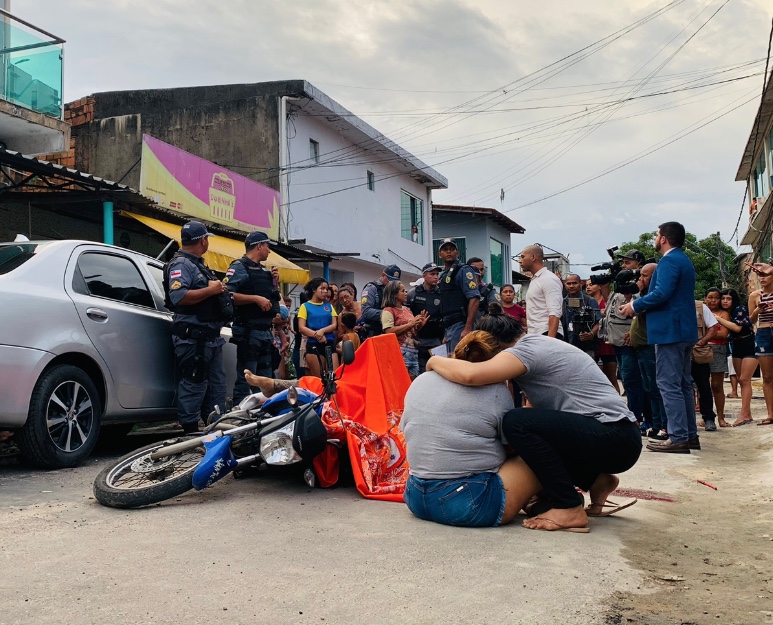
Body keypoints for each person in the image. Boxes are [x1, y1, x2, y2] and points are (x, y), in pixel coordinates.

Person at [426, 310, 640, 532]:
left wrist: (434, 360)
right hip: (618, 436)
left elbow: (472, 375)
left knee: (515, 423)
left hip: (613, 436)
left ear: (494, 344)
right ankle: (597, 482)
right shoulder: (539, 345)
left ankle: (568, 507)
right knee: (527, 432)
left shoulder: (524, 350)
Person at [401, 329, 541, 528]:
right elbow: (512, 446)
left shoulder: (421, 380)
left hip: (416, 496)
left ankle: (531, 500)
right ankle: (559, 505)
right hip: (467, 504)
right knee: (540, 452)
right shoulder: (496, 391)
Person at [620, 222, 699, 453]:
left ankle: (678, 436)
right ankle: (689, 435)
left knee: (668, 384)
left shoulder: (669, 261)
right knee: (682, 384)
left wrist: (634, 305)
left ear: (663, 238)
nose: (655, 239)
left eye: (657, 235)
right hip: (683, 330)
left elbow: (661, 293)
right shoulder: (683, 260)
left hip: (669, 331)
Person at [164, 221, 228, 433]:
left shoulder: (198, 265)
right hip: (194, 338)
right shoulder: (181, 264)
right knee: (195, 382)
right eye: (207, 238)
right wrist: (211, 290)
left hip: (210, 337)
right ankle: (190, 431)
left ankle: (215, 428)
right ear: (203, 240)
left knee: (216, 386)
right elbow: (178, 296)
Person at [224, 231, 281, 404]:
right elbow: (226, 294)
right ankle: (239, 415)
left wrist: (275, 283)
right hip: (248, 332)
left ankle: (264, 414)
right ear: (259, 246)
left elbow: (272, 297)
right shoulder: (239, 267)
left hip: (265, 333)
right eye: (267, 246)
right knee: (246, 379)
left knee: (266, 382)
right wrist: (255, 299)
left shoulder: (264, 271)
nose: (269, 250)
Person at [605, 250, 646, 422]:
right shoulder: (621, 284)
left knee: (632, 380)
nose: (624, 266)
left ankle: (636, 416)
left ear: (639, 265)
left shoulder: (639, 286)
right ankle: (634, 414)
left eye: (628, 263)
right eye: (623, 263)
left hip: (629, 342)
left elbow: (640, 310)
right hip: (617, 342)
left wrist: (633, 330)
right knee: (627, 380)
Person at [629, 263, 668, 440]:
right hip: (641, 348)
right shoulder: (645, 296)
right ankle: (656, 423)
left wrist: (637, 293)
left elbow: (637, 308)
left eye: (644, 276)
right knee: (649, 388)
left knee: (657, 388)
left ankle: (664, 426)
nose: (640, 279)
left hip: (651, 347)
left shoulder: (653, 297)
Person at [715, 288, 757, 426]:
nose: (725, 301)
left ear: (733, 300)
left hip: (749, 343)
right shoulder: (725, 313)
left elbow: (737, 328)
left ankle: (744, 415)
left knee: (745, 379)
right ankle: (747, 413)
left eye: (728, 299)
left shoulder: (740, 309)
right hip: (736, 345)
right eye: (723, 298)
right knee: (740, 380)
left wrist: (718, 319)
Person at [437, 239, 480, 351]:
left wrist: (467, 328)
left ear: (457, 253)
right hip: (450, 327)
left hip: (461, 324)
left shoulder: (463, 270)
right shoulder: (444, 275)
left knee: (460, 359)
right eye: (445, 249)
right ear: (440, 254)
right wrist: (446, 334)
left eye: (452, 249)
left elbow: (474, 298)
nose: (449, 252)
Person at [381, 281, 428, 379]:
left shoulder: (407, 309)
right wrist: (410, 324)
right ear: (395, 294)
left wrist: (420, 325)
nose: (406, 293)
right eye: (403, 291)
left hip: (413, 352)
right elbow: (388, 331)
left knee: (413, 384)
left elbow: (412, 332)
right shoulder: (388, 310)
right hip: (399, 353)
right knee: (401, 381)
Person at [519, 244, 563, 339]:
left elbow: (555, 313)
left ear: (533, 257)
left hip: (547, 334)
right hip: (536, 335)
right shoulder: (536, 279)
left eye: (522, 257)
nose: (519, 260)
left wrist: (549, 341)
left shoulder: (549, 279)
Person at [407, 262, 445, 373]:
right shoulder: (413, 293)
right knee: (421, 373)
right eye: (432, 274)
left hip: (437, 340)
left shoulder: (442, 293)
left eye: (437, 274)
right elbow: (406, 315)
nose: (436, 277)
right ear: (424, 276)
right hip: (419, 340)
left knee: (439, 372)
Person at [298, 278, 339, 378]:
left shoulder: (329, 306)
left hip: (329, 343)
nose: (325, 291)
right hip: (313, 345)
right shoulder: (305, 306)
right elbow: (301, 328)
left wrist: (322, 331)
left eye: (326, 289)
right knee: (319, 378)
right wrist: (317, 336)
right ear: (314, 289)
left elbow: (334, 325)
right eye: (322, 288)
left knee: (334, 376)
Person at [749, 269, 773, 426]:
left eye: (766, 275)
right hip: (763, 332)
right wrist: (758, 310)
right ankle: (770, 414)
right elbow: (751, 320)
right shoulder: (754, 295)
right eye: (760, 275)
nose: (762, 278)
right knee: (767, 376)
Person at [704, 288, 731, 428]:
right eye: (710, 297)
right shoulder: (701, 311)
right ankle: (706, 416)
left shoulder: (723, 314)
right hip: (701, 350)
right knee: (702, 385)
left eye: (716, 298)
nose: (713, 300)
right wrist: (712, 332)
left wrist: (705, 334)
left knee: (717, 385)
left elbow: (723, 334)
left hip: (718, 350)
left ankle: (721, 417)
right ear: (705, 298)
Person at [691, 298, 719, 432]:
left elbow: (713, 327)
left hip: (698, 353)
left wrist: (702, 341)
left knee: (704, 386)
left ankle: (708, 418)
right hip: (678, 353)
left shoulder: (700, 307)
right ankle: (688, 419)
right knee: (681, 388)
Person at [586, 279, 619, 391]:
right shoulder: (586, 302)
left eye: (591, 284)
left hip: (607, 344)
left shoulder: (607, 301)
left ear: (599, 286)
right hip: (592, 344)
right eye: (586, 285)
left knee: (611, 378)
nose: (588, 287)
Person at [561, 273, 600, 358]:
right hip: (567, 346)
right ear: (565, 285)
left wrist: (591, 334)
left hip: (587, 347)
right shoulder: (562, 302)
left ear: (580, 284)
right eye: (569, 283)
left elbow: (599, 322)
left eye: (574, 283)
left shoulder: (590, 301)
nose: (571, 286)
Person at [361, 264, 401, 338]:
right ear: (383, 275)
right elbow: (366, 311)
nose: (391, 283)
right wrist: (387, 314)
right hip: (374, 332)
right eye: (390, 280)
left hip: (390, 332)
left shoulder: (396, 291)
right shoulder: (372, 288)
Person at [468, 257, 500, 321]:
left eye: (482, 269)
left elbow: (496, 315)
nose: (480, 273)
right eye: (476, 270)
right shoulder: (459, 289)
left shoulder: (489, 291)